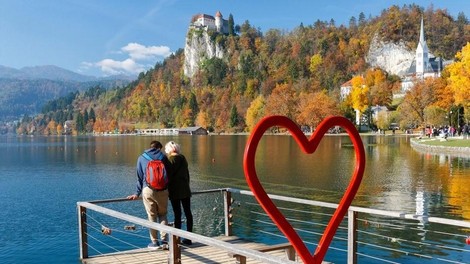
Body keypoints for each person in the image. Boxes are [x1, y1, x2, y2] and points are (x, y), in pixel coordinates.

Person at [127, 140, 169, 250]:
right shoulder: (163, 157)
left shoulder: (141, 158)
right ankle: (164, 241)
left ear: (150, 147)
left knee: (152, 216)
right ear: (159, 148)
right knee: (163, 215)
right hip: (163, 190)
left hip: (148, 190)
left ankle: (154, 243)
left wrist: (137, 193)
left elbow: (139, 178)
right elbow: (168, 175)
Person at [164, 141, 193, 245]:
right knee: (188, 213)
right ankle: (189, 237)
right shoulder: (183, 158)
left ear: (168, 149)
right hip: (185, 189)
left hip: (175, 190)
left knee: (177, 214)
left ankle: (177, 238)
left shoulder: (170, 159)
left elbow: (168, 176)